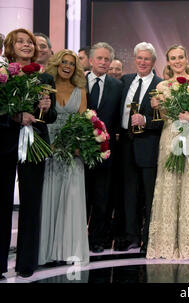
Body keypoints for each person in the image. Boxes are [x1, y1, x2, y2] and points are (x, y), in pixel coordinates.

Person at [147, 44, 189, 259]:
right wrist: (156, 105)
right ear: (168, 61)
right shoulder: (162, 86)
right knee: (169, 186)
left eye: (181, 57)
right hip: (170, 138)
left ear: (187, 59)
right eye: (173, 58)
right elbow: (165, 115)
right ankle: (166, 243)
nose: (177, 61)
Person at [0, 28, 56, 279]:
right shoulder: (3, 75)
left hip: (36, 144)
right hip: (5, 143)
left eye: (30, 42)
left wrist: (46, 108)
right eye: (21, 42)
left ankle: (26, 263)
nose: (27, 45)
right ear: (10, 47)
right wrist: (15, 116)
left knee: (32, 205)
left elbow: (50, 117)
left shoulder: (45, 78)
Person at [38, 49, 89, 265]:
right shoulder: (45, 87)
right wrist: (47, 144)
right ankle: (46, 252)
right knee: (48, 198)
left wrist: (75, 146)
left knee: (71, 199)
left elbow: (83, 122)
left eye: (72, 63)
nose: (67, 66)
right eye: (64, 62)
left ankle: (68, 251)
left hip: (72, 152)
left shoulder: (81, 90)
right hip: (47, 150)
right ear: (57, 64)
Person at [115, 42, 163, 252]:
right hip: (125, 144)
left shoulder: (160, 86)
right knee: (128, 193)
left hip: (149, 145)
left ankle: (149, 237)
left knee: (149, 194)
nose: (143, 62)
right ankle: (129, 235)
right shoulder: (125, 81)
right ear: (135, 60)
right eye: (140, 58)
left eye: (147, 59)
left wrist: (146, 120)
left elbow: (163, 120)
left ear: (153, 62)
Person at [85, 42, 123, 253]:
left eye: (106, 59)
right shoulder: (79, 81)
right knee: (82, 198)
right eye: (99, 58)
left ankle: (97, 239)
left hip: (107, 152)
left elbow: (118, 118)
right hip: (79, 151)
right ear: (91, 60)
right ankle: (77, 238)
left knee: (102, 198)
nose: (103, 62)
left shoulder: (117, 86)